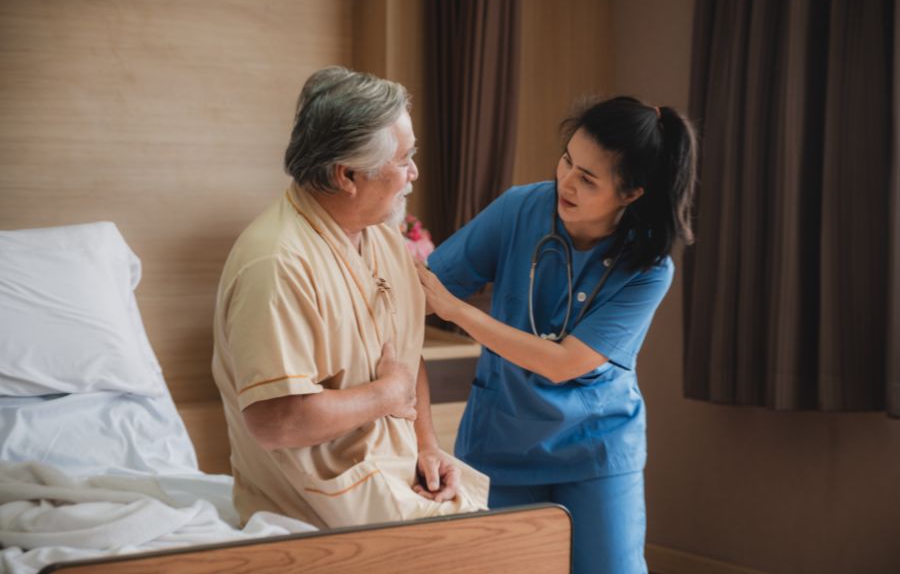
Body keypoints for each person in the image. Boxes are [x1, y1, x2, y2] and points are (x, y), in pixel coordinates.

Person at [415, 96, 697, 573]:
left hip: (597, 446)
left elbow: (563, 362)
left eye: (588, 179)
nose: (566, 180)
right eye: (568, 159)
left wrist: (457, 312)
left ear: (630, 194)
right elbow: (424, 288)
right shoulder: (519, 210)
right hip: (501, 438)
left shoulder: (649, 268)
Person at [211, 66, 488, 530]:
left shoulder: (384, 238)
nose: (414, 173)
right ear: (347, 175)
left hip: (394, 477)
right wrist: (384, 395)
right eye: (404, 160)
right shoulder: (277, 264)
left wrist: (426, 448)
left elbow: (405, 354)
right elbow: (276, 422)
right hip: (316, 508)